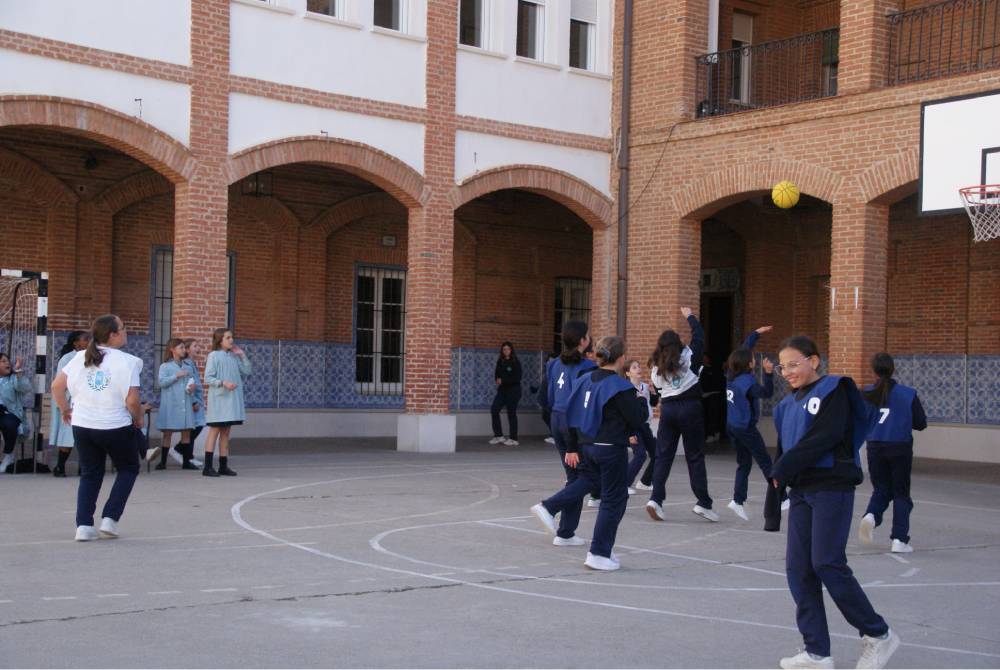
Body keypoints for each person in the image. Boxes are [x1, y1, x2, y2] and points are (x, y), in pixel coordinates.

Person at [769, 335, 899, 670]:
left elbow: (825, 435)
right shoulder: (786, 406)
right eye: (782, 367)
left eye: (794, 364)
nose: (787, 372)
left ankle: (878, 634)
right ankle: (817, 652)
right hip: (801, 491)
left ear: (814, 361)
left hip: (831, 487)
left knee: (827, 562)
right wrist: (775, 496)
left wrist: (783, 467)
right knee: (799, 569)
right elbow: (784, 451)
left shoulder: (835, 390)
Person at [531, 336, 647, 570]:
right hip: (610, 447)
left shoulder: (584, 380)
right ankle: (599, 553)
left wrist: (573, 446)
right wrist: (641, 399)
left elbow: (571, 415)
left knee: (588, 480)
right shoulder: (620, 387)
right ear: (622, 358)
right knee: (614, 499)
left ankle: (549, 506)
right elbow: (637, 418)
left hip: (586, 445)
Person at [51, 315, 143, 541]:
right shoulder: (129, 361)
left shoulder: (79, 357)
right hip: (114, 424)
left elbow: (56, 387)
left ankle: (83, 526)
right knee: (128, 469)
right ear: (113, 334)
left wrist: (65, 409)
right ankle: (110, 519)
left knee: (90, 474)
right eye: (123, 328)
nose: (126, 331)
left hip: (83, 424)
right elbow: (132, 400)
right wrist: (138, 418)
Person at [645, 307, 717, 523]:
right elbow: (700, 336)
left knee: (663, 456)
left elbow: (658, 393)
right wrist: (690, 317)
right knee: (694, 456)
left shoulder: (656, 367)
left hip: (668, 410)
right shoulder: (690, 355)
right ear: (678, 343)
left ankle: (656, 499)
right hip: (690, 407)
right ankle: (703, 502)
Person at [859, 352, 927, 554]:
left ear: (873, 370)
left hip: (874, 445)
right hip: (900, 446)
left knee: (881, 489)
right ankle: (899, 539)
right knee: (901, 494)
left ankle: (871, 515)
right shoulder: (907, 393)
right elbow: (920, 423)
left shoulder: (865, 393)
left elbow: (859, 420)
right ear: (893, 369)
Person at [538, 321, 595, 545]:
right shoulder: (587, 367)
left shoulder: (553, 364)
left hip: (556, 419)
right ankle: (548, 507)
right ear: (582, 340)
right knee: (589, 477)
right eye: (588, 335)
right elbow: (585, 403)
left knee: (575, 477)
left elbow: (546, 398)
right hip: (574, 424)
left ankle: (566, 533)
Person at [724, 325, 775, 521]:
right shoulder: (747, 382)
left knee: (744, 463)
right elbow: (767, 393)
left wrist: (756, 334)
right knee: (765, 462)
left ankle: (737, 501)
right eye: (753, 358)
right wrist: (768, 373)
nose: (755, 359)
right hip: (745, 428)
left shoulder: (731, 374)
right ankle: (781, 497)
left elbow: (743, 351)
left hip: (732, 426)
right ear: (749, 364)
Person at [202, 329, 251, 477]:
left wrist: (242, 355)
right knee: (214, 431)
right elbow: (208, 378)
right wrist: (223, 382)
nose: (231, 340)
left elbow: (247, 371)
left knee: (226, 432)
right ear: (220, 340)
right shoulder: (213, 356)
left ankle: (223, 466)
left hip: (232, 400)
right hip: (219, 400)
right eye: (228, 338)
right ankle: (207, 467)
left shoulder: (234, 356)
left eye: (232, 337)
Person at [49, 331, 91, 476]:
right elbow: (60, 382)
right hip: (71, 400)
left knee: (85, 436)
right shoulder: (67, 358)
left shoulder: (91, 357)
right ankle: (60, 466)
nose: (89, 341)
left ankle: (83, 467)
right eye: (86, 339)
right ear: (76, 343)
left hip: (87, 400)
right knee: (67, 434)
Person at [155, 338, 198, 470]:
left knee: (186, 433)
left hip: (185, 403)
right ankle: (163, 462)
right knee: (168, 433)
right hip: (171, 404)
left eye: (184, 348)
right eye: (181, 348)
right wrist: (176, 376)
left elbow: (191, 382)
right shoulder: (165, 366)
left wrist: (192, 389)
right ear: (172, 349)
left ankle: (186, 462)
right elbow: (162, 383)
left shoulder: (188, 366)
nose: (184, 350)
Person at [624, 359, 658, 495]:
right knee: (640, 454)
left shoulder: (644, 386)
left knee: (657, 454)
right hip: (633, 427)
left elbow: (653, 404)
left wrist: (653, 393)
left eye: (638, 366)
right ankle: (624, 484)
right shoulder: (626, 389)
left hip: (645, 426)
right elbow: (626, 413)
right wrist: (630, 433)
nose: (638, 369)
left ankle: (645, 481)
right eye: (634, 367)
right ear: (628, 373)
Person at [0, 353, 33, 473]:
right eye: (3, 361)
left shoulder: (13, 378)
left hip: (9, 412)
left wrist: (18, 370)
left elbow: (25, 388)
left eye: (7, 361)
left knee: (9, 425)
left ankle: (9, 454)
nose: (7, 363)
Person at [488, 341, 522, 447]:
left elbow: (517, 377)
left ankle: (513, 438)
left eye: (508, 349)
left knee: (511, 413)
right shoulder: (500, 361)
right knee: (494, 409)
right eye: (504, 349)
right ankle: (499, 436)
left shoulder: (515, 362)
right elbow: (497, 374)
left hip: (513, 390)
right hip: (502, 390)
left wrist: (504, 380)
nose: (506, 351)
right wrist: (497, 379)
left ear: (511, 350)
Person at [179, 338, 205, 468]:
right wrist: (194, 401)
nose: (198, 348)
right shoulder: (187, 365)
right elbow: (188, 384)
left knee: (196, 427)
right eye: (195, 346)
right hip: (193, 401)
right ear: (188, 350)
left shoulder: (192, 364)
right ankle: (180, 450)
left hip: (198, 400)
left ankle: (189, 456)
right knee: (196, 427)